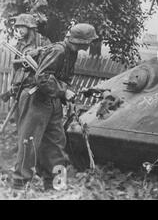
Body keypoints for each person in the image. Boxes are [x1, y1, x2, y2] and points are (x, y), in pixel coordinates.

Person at [12, 23, 98, 191]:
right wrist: (63, 91)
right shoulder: (58, 51)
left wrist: (67, 93)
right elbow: (42, 78)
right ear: (81, 41)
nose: (90, 44)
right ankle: (19, 184)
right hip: (35, 98)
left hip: (52, 100)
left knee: (56, 141)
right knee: (29, 141)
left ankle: (54, 183)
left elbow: (63, 79)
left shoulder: (71, 53)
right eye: (89, 41)